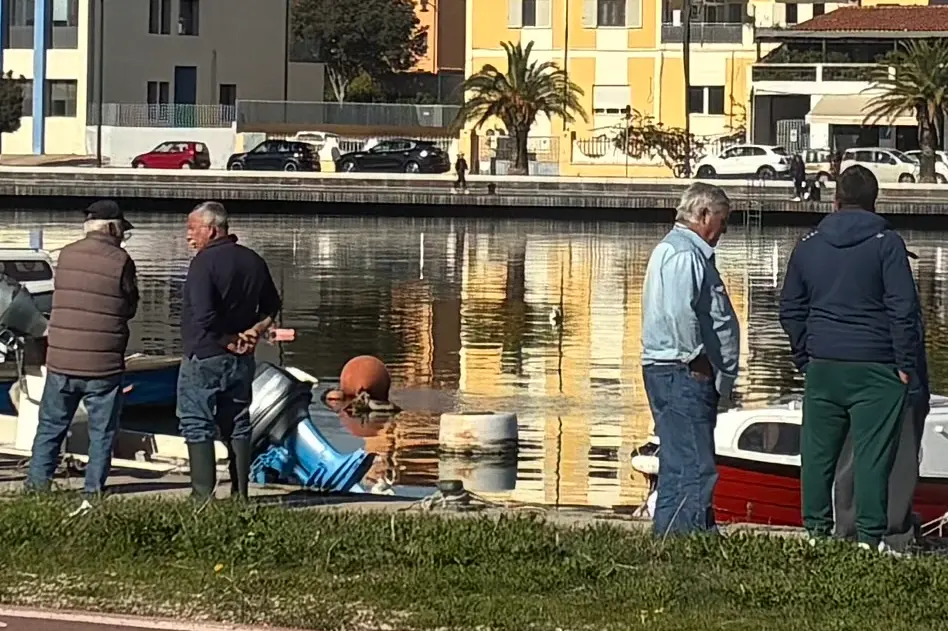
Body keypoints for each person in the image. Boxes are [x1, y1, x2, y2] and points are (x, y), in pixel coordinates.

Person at [779, 165, 918, 553]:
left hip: (823, 363)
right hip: (877, 365)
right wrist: (905, 364)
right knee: (873, 456)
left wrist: (805, 355)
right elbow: (903, 309)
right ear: (874, 202)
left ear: (835, 200)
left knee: (817, 454)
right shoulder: (886, 243)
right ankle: (869, 538)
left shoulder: (808, 244)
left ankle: (815, 532)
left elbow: (790, 307)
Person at [641, 182, 741, 536]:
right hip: (683, 371)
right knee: (696, 464)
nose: (725, 229)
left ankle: (670, 535)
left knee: (676, 461)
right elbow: (677, 312)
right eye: (722, 219)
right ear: (702, 215)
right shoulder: (685, 255)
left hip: (669, 369)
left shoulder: (672, 251)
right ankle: (691, 538)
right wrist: (696, 358)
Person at [26, 200, 139, 497]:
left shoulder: (66, 254)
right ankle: (92, 492)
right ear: (113, 227)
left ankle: (37, 487)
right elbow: (129, 307)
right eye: (121, 231)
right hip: (102, 364)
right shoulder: (122, 261)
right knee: (101, 433)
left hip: (61, 357)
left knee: (50, 426)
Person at [177, 201, 282, 501]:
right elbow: (272, 305)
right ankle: (241, 495)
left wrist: (229, 339)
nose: (188, 235)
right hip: (241, 359)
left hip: (205, 354)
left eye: (193, 228)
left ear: (212, 229)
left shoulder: (203, 263)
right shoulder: (253, 260)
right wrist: (254, 332)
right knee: (238, 422)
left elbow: (203, 315)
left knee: (196, 422)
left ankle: (201, 497)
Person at [833, 248, 929, 551]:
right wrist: (909, 373)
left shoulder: (845, 288)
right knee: (899, 455)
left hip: (850, 368)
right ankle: (893, 534)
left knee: (852, 452)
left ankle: (849, 528)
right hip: (894, 374)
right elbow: (906, 325)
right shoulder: (895, 291)